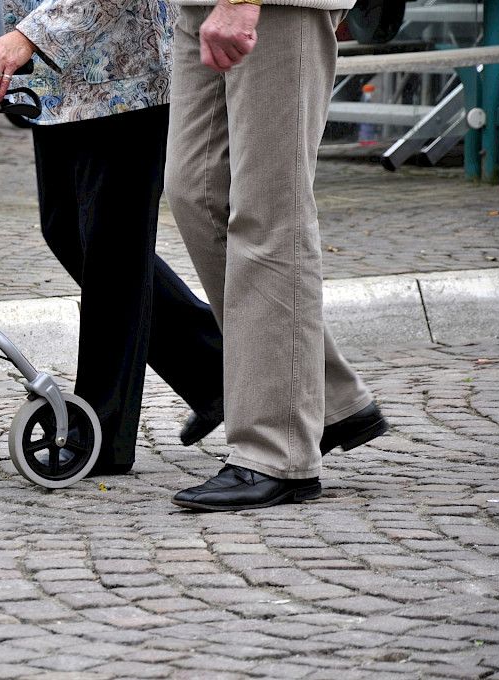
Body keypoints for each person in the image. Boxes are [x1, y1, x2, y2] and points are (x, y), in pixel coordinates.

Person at [0, 0, 226, 476]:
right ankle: (215, 374)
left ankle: (100, 431)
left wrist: (26, 37)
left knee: (111, 247)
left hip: (122, 72)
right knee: (69, 232)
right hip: (53, 79)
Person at [165, 0, 388, 511]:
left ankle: (276, 451)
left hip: (276, 6)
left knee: (270, 211)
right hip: (197, 6)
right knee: (196, 194)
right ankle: (331, 401)